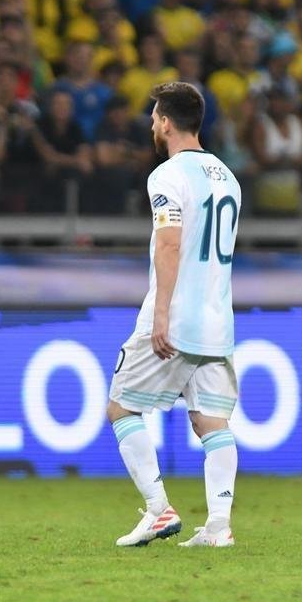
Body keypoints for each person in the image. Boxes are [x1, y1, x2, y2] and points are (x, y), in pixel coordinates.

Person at [107, 81, 242, 549]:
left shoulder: (167, 175)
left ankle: (158, 509)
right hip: (217, 320)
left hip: (178, 316)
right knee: (211, 423)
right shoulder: (228, 176)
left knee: (122, 407)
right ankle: (219, 527)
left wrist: (161, 314)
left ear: (165, 121)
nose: (151, 124)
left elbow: (170, 243)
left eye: (153, 117)